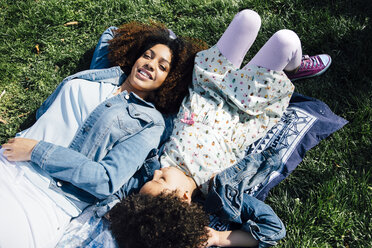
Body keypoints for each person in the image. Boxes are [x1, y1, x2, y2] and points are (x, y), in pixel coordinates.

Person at [110, 9, 332, 248]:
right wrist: (217, 237)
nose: (154, 173)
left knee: (248, 18)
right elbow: (272, 228)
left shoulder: (156, 164)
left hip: (208, 86)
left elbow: (115, 185)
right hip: (246, 105)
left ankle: (276, 65)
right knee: (286, 40)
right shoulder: (219, 194)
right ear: (184, 198)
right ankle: (294, 69)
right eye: (161, 179)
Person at [0, 22, 205, 248]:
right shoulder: (105, 75)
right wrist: (167, 38)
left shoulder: (151, 122)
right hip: (7, 163)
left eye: (163, 67)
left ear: (170, 81)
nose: (150, 64)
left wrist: (35, 150)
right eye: (147, 55)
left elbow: (106, 180)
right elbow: (111, 33)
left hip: (44, 197)